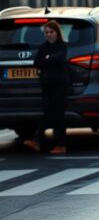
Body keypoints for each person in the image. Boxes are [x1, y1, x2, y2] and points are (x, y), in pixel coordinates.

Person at [24, 21, 69, 154]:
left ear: (57, 32)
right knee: (46, 112)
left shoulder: (63, 46)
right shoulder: (43, 47)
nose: (49, 35)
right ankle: (37, 140)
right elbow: (37, 62)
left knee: (59, 114)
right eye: (46, 32)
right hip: (46, 84)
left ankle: (61, 144)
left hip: (60, 85)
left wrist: (48, 59)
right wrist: (49, 59)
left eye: (51, 32)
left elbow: (60, 59)